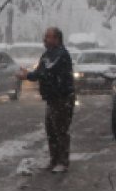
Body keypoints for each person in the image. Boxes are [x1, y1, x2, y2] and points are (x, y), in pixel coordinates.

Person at [16, 27, 75, 174]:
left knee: (61, 130)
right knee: (51, 130)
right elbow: (39, 72)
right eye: (45, 37)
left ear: (57, 39)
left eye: (48, 37)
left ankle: (63, 162)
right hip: (52, 98)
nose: (45, 39)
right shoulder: (47, 55)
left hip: (62, 98)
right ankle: (54, 160)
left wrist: (29, 76)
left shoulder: (61, 55)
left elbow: (47, 72)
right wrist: (29, 74)